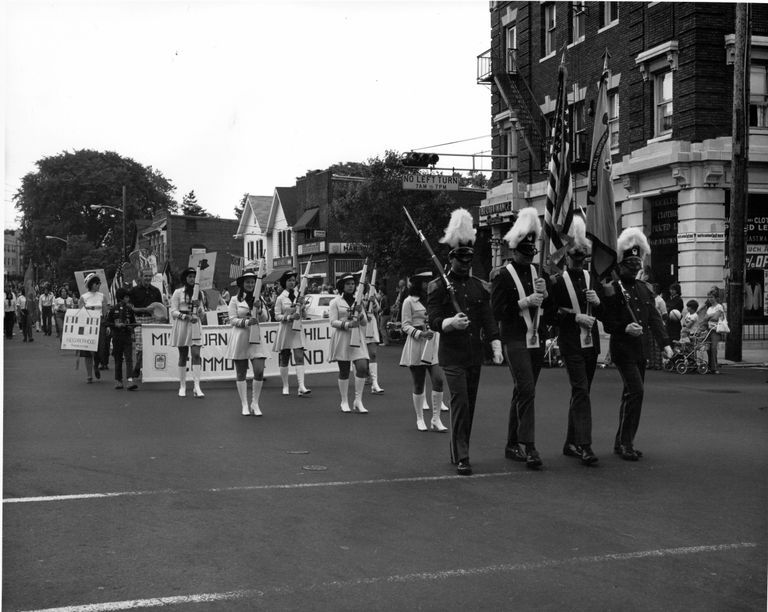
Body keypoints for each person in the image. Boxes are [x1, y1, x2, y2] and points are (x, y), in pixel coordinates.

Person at [427, 208, 502, 476]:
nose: (466, 264)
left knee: (469, 404)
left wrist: (494, 341)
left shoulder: (479, 286)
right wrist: (449, 323)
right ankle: (463, 455)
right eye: (461, 260)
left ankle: (459, 448)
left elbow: (488, 317)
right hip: (451, 355)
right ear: (452, 258)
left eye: (469, 260)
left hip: (473, 354)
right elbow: (433, 319)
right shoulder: (438, 286)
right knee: (459, 401)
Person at [602, 228, 673, 460]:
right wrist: (624, 327)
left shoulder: (645, 289)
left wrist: (665, 344)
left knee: (631, 394)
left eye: (636, 266)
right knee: (636, 391)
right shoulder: (613, 287)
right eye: (628, 266)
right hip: (622, 347)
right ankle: (624, 443)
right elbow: (608, 320)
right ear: (621, 265)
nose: (633, 270)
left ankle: (624, 441)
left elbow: (653, 318)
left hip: (640, 349)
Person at [491, 207, 554, 469]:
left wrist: (546, 296)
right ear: (514, 251)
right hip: (515, 338)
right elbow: (497, 311)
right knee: (527, 389)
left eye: (531, 254)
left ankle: (511, 443)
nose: (528, 258)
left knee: (523, 391)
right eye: (524, 253)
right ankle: (529, 445)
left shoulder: (540, 275)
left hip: (536, 338)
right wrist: (523, 302)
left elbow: (550, 313)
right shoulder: (503, 276)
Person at [549, 216, 602, 466]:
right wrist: (573, 317)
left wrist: (599, 304)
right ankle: (584, 445)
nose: (578, 260)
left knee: (582, 392)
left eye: (582, 257)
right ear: (566, 256)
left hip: (591, 344)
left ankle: (571, 441)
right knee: (581, 390)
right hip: (570, 342)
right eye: (574, 256)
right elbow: (551, 313)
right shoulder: (557, 281)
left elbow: (604, 312)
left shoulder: (593, 279)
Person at [400, 269, 447, 432]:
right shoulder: (409, 301)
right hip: (417, 344)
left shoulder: (435, 299)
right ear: (419, 284)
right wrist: (420, 333)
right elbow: (405, 325)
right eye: (426, 282)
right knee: (419, 383)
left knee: (438, 379)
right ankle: (420, 418)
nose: (429, 285)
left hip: (433, 341)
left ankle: (436, 418)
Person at [226, 269, 270, 416]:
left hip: (256, 338)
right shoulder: (234, 300)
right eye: (248, 282)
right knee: (241, 372)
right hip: (240, 338)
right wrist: (246, 322)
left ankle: (255, 403)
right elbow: (232, 320)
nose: (250, 284)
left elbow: (265, 318)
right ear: (242, 284)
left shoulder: (260, 299)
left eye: (253, 282)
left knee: (259, 370)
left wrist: (259, 309)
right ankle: (244, 404)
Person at [329, 273, 370, 413]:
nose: (351, 286)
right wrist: (347, 325)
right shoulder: (335, 302)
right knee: (344, 370)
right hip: (343, 338)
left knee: (363, 367)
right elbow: (332, 322)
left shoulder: (359, 301)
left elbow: (364, 323)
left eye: (353, 283)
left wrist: (361, 313)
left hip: (357, 338)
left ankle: (358, 400)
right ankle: (344, 400)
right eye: (348, 284)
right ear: (342, 286)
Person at [272, 269, 311, 396]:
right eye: (289, 280)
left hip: (297, 329)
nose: (292, 282)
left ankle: (301, 386)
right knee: (284, 357)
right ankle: (285, 385)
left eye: (293, 280)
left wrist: (303, 306)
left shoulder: (299, 296)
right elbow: (277, 316)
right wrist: (289, 317)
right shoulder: (280, 298)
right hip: (285, 329)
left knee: (299, 356)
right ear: (285, 282)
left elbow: (304, 315)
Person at [170, 267, 206, 398]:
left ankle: (197, 386)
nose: (192, 279)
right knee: (183, 355)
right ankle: (182, 385)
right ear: (185, 278)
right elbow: (173, 311)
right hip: (182, 325)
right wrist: (185, 317)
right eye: (190, 276)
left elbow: (203, 314)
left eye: (194, 277)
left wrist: (200, 309)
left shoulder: (200, 293)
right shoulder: (178, 292)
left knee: (196, 354)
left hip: (195, 325)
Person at [129, 269, 164, 379]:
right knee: (140, 346)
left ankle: (144, 368)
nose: (148, 278)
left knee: (151, 345)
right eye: (146, 276)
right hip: (139, 320)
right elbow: (130, 309)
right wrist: (145, 309)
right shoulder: (134, 291)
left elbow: (160, 307)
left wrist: (161, 318)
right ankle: (138, 367)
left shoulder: (156, 291)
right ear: (141, 277)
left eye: (150, 276)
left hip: (153, 320)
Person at [105, 287, 138, 390]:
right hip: (117, 337)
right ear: (121, 298)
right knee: (118, 359)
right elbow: (107, 322)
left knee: (129, 358)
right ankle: (118, 380)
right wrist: (116, 325)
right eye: (126, 297)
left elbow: (133, 322)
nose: (128, 299)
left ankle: (130, 380)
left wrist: (131, 326)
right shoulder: (113, 309)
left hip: (127, 336)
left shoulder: (130, 310)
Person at [78, 273, 108, 382]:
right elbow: (80, 313)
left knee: (101, 349)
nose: (98, 285)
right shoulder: (83, 297)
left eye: (99, 283)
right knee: (88, 350)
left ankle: (97, 364)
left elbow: (105, 312)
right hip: (87, 326)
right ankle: (89, 375)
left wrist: (107, 325)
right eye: (96, 283)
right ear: (91, 284)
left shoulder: (102, 296)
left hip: (100, 324)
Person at [363, 281, 385, 394]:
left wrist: (373, 303)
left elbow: (379, 310)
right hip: (360, 327)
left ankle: (374, 383)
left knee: (373, 354)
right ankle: (365, 374)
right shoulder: (356, 296)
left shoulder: (371, 296)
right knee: (362, 355)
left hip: (371, 326)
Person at [699, 287, 726, 374]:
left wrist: (709, 316)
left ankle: (714, 367)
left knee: (714, 348)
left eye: (712, 297)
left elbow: (715, 318)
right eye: (709, 297)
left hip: (716, 330)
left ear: (716, 298)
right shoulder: (710, 308)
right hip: (709, 329)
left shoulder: (719, 306)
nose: (710, 299)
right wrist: (710, 316)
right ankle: (711, 366)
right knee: (708, 348)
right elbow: (705, 319)